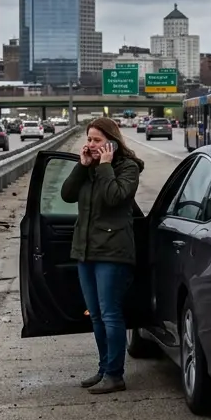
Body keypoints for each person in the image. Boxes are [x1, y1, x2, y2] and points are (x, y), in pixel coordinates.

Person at [59, 117, 145, 394]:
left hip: (113, 250)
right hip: (85, 250)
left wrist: (106, 166)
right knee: (95, 314)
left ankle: (115, 374)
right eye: (89, 139)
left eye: (96, 140)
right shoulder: (89, 168)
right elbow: (67, 195)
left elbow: (115, 197)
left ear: (111, 141)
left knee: (110, 314)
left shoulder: (128, 167)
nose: (91, 145)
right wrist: (82, 167)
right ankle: (103, 367)